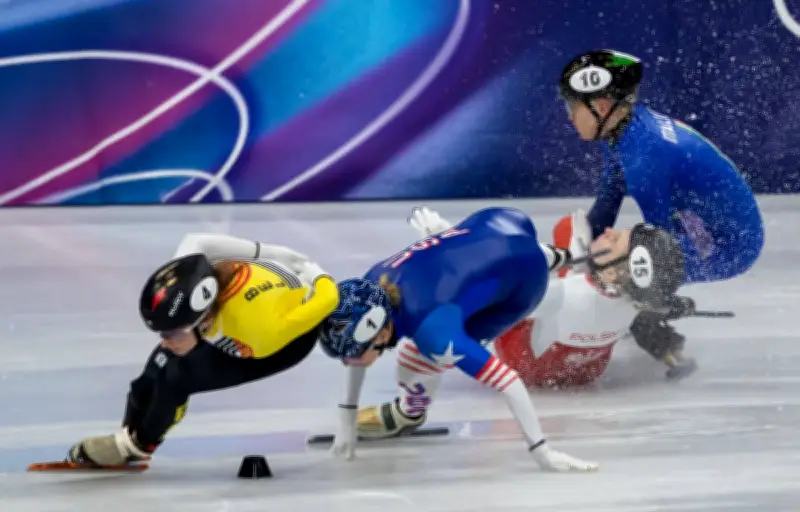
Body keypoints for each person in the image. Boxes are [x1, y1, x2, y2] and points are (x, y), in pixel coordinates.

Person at [352, 206, 693, 445]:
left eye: (616, 240)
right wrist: (673, 305)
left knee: (436, 333)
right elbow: (653, 294)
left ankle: (408, 412)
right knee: (571, 242)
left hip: (528, 363)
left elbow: (494, 289)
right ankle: (662, 343)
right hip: (587, 368)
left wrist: (448, 247)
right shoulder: (641, 300)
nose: (609, 231)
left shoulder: (565, 295)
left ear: (618, 271)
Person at [319, 206, 598, 473]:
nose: (348, 361)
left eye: (353, 353)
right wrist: (347, 419)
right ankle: (563, 255)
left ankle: (409, 413)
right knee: (515, 258)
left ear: (381, 333)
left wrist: (542, 452)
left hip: (523, 288)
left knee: (414, 361)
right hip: (496, 223)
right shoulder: (368, 286)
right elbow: (356, 346)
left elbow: (509, 382)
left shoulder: (435, 333)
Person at [557, 49, 764, 369]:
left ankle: (663, 343)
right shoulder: (623, 131)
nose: (569, 116)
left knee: (622, 268)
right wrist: (576, 257)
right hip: (702, 222)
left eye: (572, 106)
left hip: (729, 244)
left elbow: (659, 251)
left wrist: (649, 300)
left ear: (601, 107)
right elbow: (608, 201)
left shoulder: (645, 155)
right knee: (608, 255)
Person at [63, 234, 337, 468]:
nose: (164, 340)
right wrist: (271, 252)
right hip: (237, 312)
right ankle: (128, 436)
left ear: (200, 322)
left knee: (177, 377)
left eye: (170, 333)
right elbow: (197, 240)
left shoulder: (261, 331)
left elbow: (329, 298)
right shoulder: (190, 273)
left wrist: (315, 272)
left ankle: (139, 446)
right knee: (154, 370)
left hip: (283, 343)